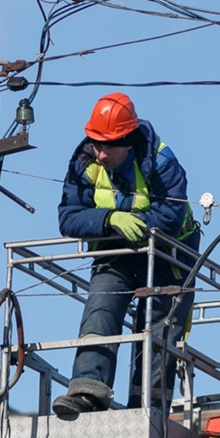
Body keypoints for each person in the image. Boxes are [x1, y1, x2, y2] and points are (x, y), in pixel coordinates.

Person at [51, 92, 201, 415]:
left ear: (128, 140)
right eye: (95, 142)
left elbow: (172, 218)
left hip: (170, 257)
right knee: (101, 303)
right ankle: (88, 391)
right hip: (117, 248)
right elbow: (68, 216)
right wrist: (109, 219)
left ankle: (147, 406)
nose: (100, 152)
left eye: (107, 144)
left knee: (160, 327)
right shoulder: (84, 162)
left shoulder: (162, 162)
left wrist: (139, 224)